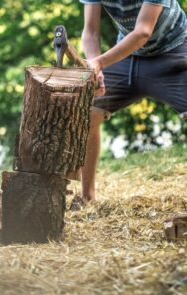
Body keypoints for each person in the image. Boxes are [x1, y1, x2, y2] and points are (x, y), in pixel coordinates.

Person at [72, 0, 187, 209]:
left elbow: (143, 32)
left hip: (174, 54)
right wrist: (94, 68)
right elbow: (90, 32)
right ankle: (87, 197)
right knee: (87, 111)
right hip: (128, 56)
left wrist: (100, 62)